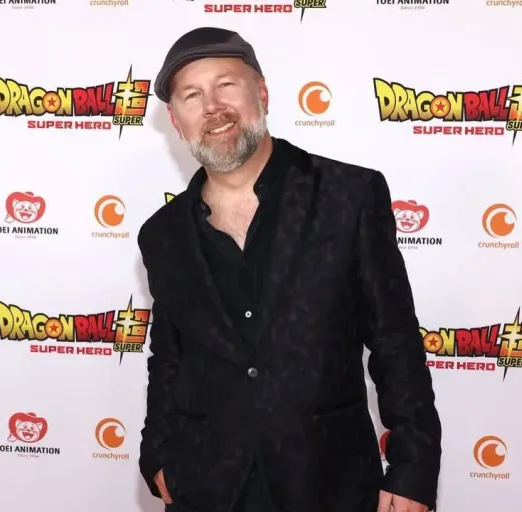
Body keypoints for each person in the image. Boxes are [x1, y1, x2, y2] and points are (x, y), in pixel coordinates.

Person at [137, 27, 442, 512]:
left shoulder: (348, 197)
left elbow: (396, 343)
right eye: (192, 96)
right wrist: (156, 451)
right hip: (206, 487)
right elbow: (169, 356)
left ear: (261, 92)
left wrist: (413, 470)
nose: (212, 107)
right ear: (176, 120)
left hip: (329, 483)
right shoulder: (162, 234)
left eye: (226, 85)